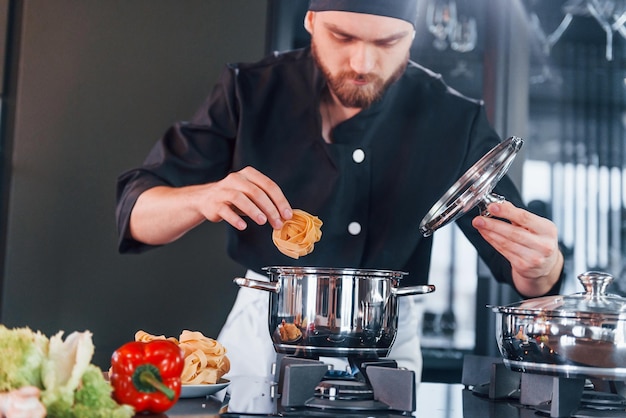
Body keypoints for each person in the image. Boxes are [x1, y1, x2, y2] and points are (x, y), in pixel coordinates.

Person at [116, 0, 564, 383]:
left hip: (386, 348)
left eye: (387, 43)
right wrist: (202, 196)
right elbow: (137, 213)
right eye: (343, 36)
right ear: (311, 21)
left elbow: (525, 274)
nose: (362, 65)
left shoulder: (454, 120)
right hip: (262, 341)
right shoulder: (251, 90)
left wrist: (544, 262)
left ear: (412, 35)